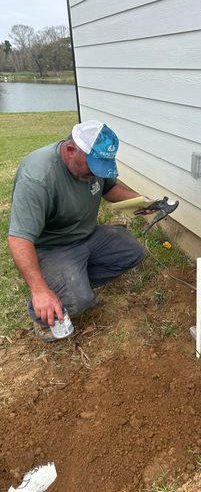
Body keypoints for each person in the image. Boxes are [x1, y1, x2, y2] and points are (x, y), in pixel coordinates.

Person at [8, 120, 152, 341]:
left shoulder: (92, 165)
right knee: (79, 299)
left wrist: (141, 201)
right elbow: (19, 239)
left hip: (88, 235)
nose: (95, 174)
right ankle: (44, 311)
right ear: (70, 150)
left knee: (132, 252)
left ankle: (73, 282)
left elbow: (110, 188)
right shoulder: (38, 177)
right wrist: (39, 291)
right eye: (91, 168)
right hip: (54, 248)